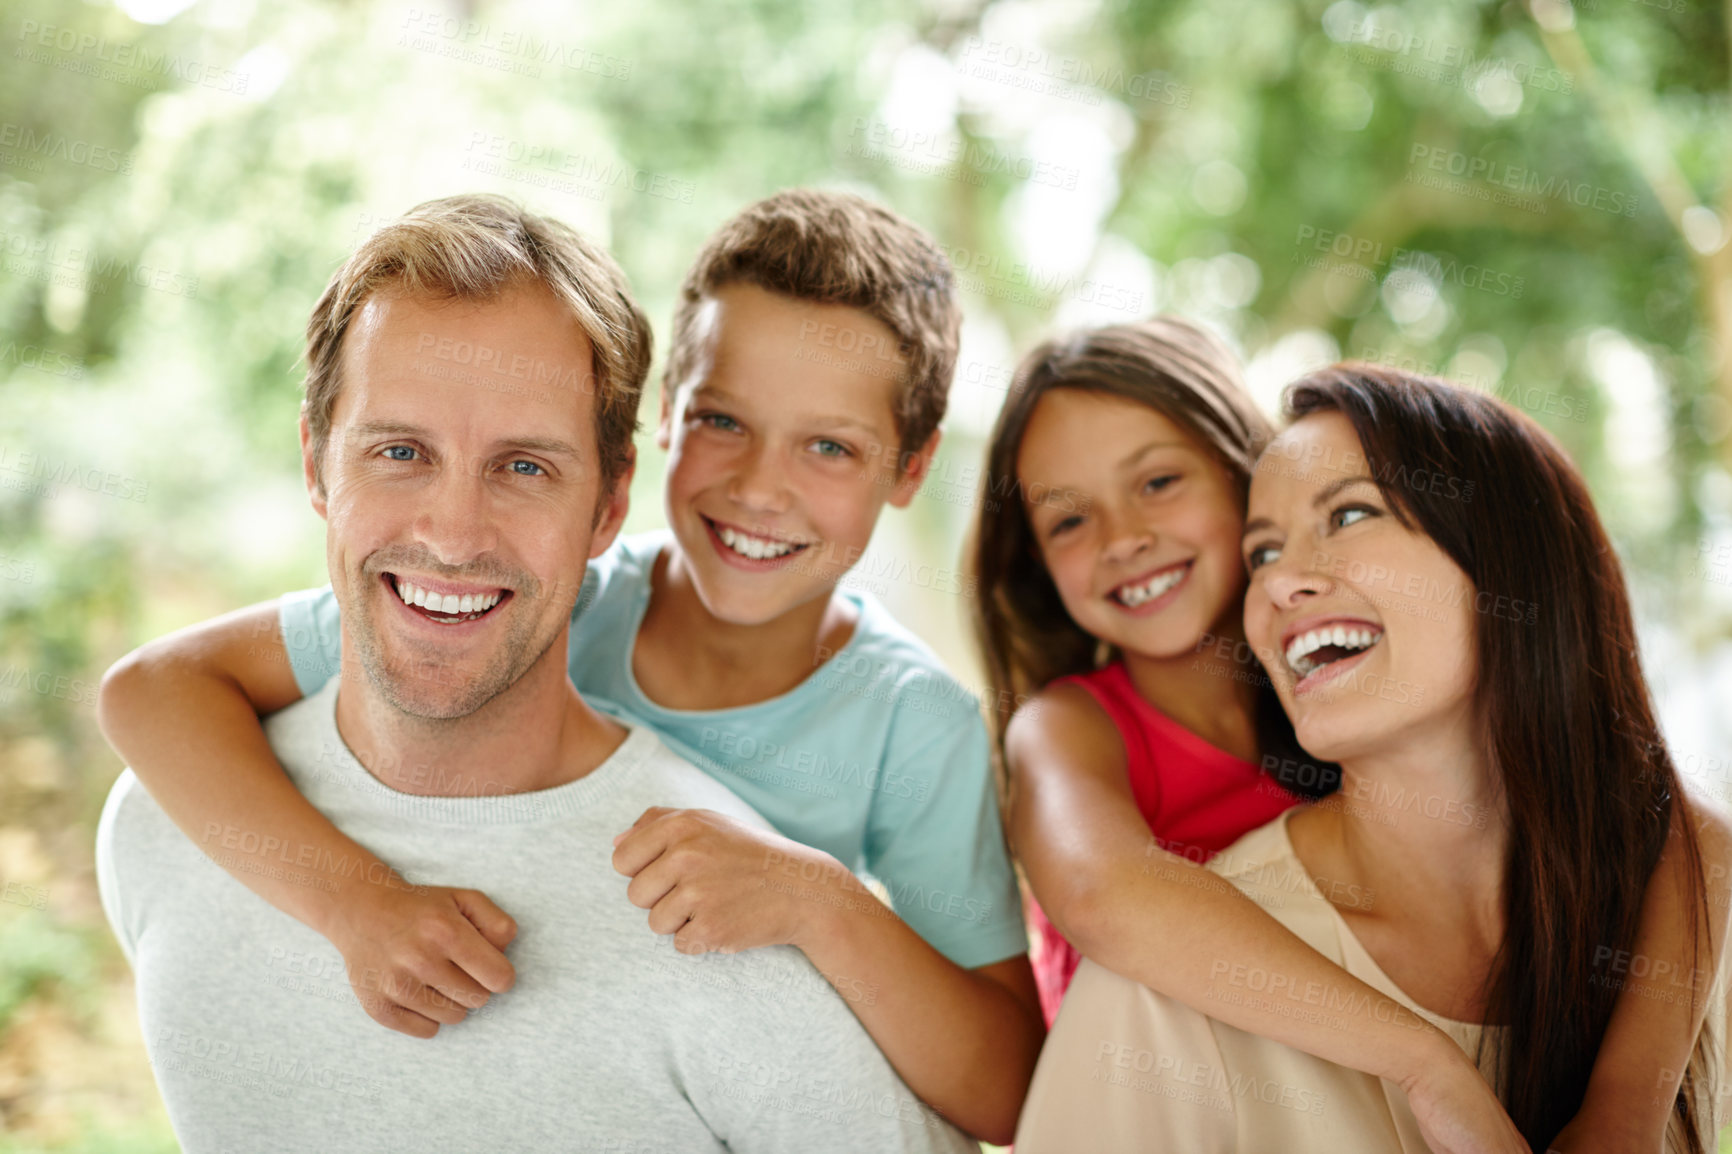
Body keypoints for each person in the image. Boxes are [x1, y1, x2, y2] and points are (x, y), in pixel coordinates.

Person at [96, 189, 1040, 1143]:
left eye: (830, 446)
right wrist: (353, 900)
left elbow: (1007, 1088)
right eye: (723, 421)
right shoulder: (561, 600)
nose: (760, 488)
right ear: (669, 418)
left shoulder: (914, 724)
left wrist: (821, 900)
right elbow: (155, 690)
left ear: (911, 469)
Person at [1009, 363, 1732, 1151]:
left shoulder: (1673, 917)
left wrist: (1625, 1111)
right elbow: (1102, 891)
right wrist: (1425, 1063)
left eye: (1349, 513)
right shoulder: (1157, 981)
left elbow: (1684, 826)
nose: (1283, 582)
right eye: (1266, 553)